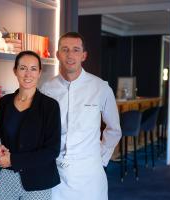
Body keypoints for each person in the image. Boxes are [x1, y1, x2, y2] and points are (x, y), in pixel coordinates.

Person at [40, 32, 122, 200]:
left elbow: (114, 129)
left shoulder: (101, 87)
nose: (70, 55)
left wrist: (100, 157)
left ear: (84, 55)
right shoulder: (46, 89)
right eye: (65, 49)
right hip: (56, 171)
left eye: (76, 50)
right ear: (57, 55)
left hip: (90, 173)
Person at [0, 50, 61, 200]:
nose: (28, 74)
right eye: (23, 68)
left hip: (37, 179)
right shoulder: (5, 101)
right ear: (15, 71)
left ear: (39, 72)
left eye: (33, 69)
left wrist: (14, 160)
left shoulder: (50, 106)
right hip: (5, 177)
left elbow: (52, 150)